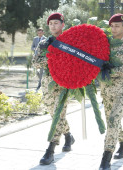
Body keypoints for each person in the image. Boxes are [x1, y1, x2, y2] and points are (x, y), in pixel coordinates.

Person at [32, 13, 75, 165]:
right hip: (48, 82)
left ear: (63, 24)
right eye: (50, 23)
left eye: (56, 23)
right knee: (53, 112)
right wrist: (52, 56)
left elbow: (76, 61)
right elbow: (36, 62)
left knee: (58, 113)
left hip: (64, 83)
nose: (53, 26)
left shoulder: (70, 42)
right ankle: (68, 135)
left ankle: (50, 150)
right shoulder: (44, 42)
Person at [99, 13, 123, 170]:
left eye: (117, 26)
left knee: (114, 120)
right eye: (112, 26)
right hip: (106, 89)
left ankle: (106, 158)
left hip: (122, 90)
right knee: (112, 122)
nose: (114, 29)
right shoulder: (105, 43)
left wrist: (110, 70)